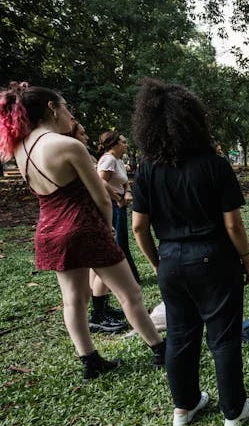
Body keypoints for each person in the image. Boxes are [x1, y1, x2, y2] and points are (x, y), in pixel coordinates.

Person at [0, 82, 164, 381]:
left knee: (73, 300)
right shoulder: (68, 145)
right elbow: (101, 197)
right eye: (66, 108)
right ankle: (159, 349)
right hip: (83, 226)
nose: (68, 114)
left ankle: (90, 361)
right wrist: (105, 229)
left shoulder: (20, 150)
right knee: (130, 294)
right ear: (52, 108)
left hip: (49, 231)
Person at [131, 78, 249, 426]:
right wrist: (246, 260)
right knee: (223, 337)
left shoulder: (146, 171)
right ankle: (234, 411)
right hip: (215, 259)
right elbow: (233, 225)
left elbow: (139, 228)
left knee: (181, 335)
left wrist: (159, 262)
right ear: (193, 121)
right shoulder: (215, 166)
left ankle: (183, 408)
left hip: (172, 261)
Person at [64, 120, 127, 333]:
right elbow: (99, 189)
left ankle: (101, 309)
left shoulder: (82, 156)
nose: (87, 137)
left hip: (93, 215)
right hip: (91, 216)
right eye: (82, 133)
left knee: (97, 267)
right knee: (103, 265)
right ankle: (98, 314)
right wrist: (107, 220)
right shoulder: (72, 155)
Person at [96, 131, 141, 284]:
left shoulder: (119, 161)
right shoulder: (108, 160)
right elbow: (101, 182)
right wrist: (117, 199)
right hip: (112, 205)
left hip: (120, 204)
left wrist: (127, 191)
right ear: (114, 144)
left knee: (122, 243)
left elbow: (124, 181)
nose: (125, 144)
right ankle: (124, 279)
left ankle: (132, 278)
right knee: (118, 243)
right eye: (122, 142)